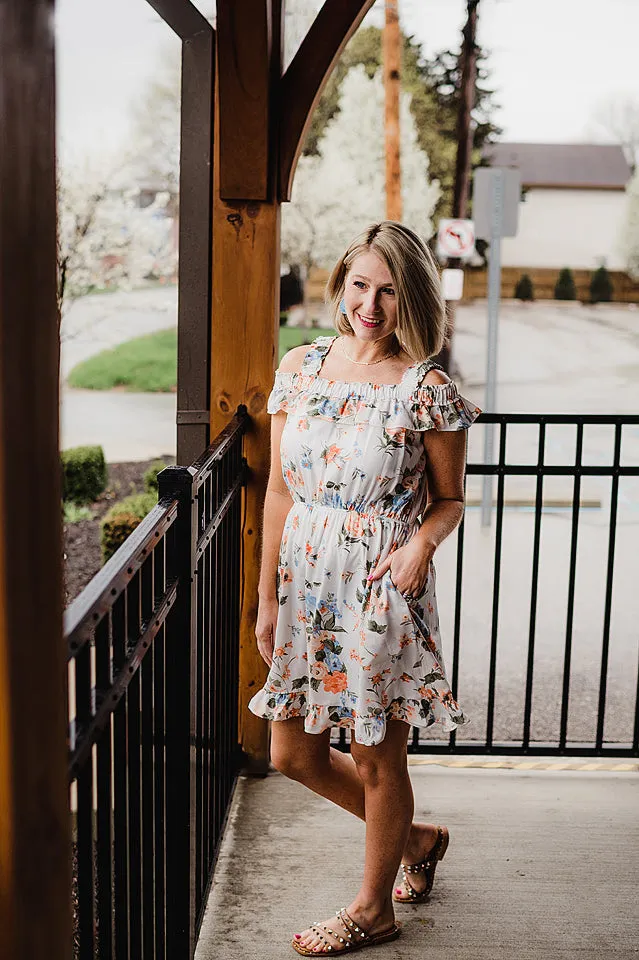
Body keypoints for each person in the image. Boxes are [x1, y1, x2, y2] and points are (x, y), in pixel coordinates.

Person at [248, 221, 482, 956]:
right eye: (358, 285)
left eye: (387, 290)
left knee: (380, 756)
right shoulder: (303, 365)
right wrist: (265, 598)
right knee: (293, 753)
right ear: (340, 283)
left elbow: (448, 500)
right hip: (306, 580)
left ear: (410, 294)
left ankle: (373, 908)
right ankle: (413, 839)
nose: (369, 305)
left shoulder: (424, 386)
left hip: (382, 583)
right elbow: (280, 494)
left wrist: (420, 547)